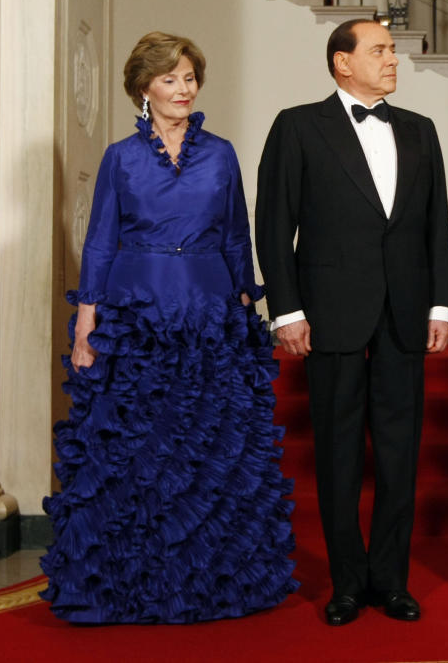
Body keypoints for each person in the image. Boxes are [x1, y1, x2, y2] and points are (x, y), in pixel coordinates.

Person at [41, 32, 298, 624]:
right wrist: (86, 323)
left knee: (207, 452)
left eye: (189, 78)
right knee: (137, 453)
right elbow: (101, 239)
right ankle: (130, 586)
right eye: (169, 80)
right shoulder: (119, 158)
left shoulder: (223, 153)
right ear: (143, 89)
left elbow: (237, 234)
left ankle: (210, 583)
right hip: (136, 315)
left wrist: (246, 310)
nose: (183, 89)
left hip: (210, 312)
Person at [254, 18, 448, 627]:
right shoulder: (297, 126)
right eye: (380, 50)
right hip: (330, 315)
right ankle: (346, 583)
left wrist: (440, 304)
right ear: (343, 63)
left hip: (403, 314)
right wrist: (287, 310)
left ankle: (391, 581)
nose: (394, 59)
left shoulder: (420, 130)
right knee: (338, 454)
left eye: (393, 50)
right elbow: (273, 223)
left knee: (400, 454)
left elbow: (435, 225)